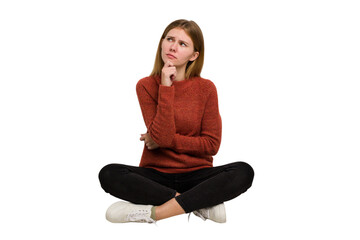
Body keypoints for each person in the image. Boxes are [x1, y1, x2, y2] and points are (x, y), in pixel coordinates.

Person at [98, 19, 254, 224]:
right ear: (162, 43)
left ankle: (154, 213)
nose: (173, 46)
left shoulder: (206, 88)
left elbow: (211, 145)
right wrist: (165, 86)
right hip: (155, 176)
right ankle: (200, 203)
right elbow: (161, 135)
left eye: (183, 44)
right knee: (109, 173)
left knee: (243, 171)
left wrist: (166, 141)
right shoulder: (145, 86)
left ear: (194, 55)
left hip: (198, 175)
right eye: (170, 39)